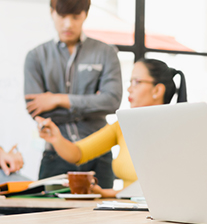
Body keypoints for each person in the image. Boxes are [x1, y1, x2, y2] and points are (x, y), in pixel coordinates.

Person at [36, 58, 187, 197]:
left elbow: (161, 186)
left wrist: (112, 193)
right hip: (126, 211)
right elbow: (78, 153)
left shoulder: (175, 130)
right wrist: (55, 138)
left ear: (157, 90)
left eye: (136, 82)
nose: (129, 89)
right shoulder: (122, 126)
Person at [24, 0, 123, 188]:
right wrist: (91, 103)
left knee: (104, 218)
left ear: (85, 15)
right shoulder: (35, 57)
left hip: (100, 155)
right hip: (55, 156)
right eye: (61, 16)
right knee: (47, 219)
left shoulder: (106, 52)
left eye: (75, 16)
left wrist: (57, 99)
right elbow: (36, 109)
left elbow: (112, 100)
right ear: (52, 13)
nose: (68, 24)